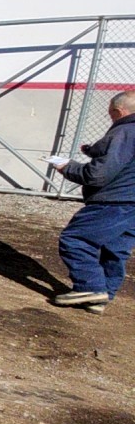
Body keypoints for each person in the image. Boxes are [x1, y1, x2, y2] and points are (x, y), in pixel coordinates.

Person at [51, 90, 135, 314]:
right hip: (132, 204)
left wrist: (68, 167)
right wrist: (93, 151)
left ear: (119, 111)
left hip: (114, 202)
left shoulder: (125, 132)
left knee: (76, 239)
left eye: (111, 113)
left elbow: (98, 175)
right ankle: (102, 294)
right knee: (114, 249)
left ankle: (91, 288)